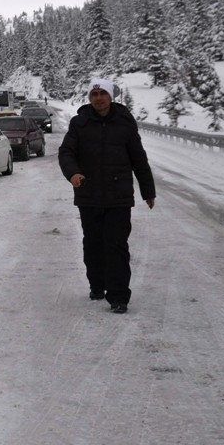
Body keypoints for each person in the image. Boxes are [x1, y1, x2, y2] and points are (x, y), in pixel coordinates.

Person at [58, 78, 156, 314]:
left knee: (116, 245)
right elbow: (66, 153)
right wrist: (73, 174)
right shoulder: (79, 123)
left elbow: (138, 159)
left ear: (111, 96)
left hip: (118, 196)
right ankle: (97, 284)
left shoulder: (125, 123)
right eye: (94, 94)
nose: (99, 98)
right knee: (93, 244)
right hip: (88, 194)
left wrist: (148, 190)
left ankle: (119, 296)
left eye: (103, 93)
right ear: (89, 98)